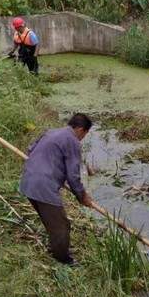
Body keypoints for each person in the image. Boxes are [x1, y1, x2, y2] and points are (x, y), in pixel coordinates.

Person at [20, 113, 94, 265]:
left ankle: (54, 247)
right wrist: (82, 196)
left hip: (28, 181)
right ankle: (63, 260)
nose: (83, 138)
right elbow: (73, 176)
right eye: (85, 134)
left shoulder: (50, 132)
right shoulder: (72, 141)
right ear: (80, 129)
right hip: (43, 186)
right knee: (62, 226)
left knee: (51, 220)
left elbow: (30, 150)